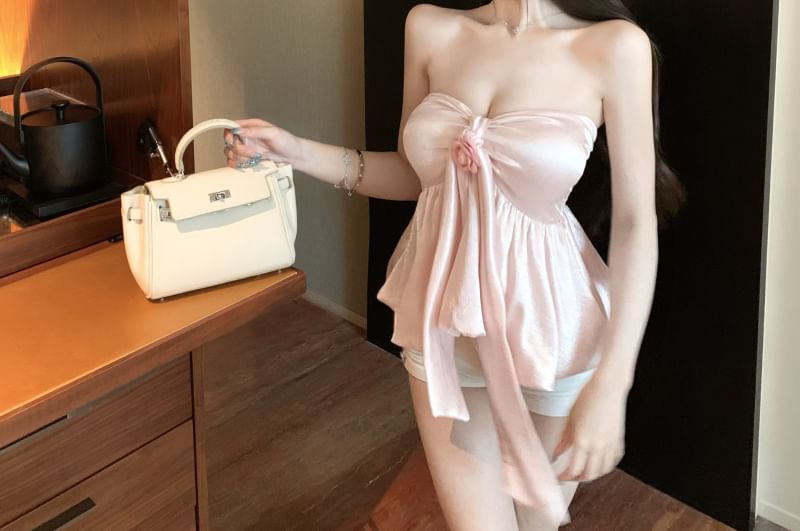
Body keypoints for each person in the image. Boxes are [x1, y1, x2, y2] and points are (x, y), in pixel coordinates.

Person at [224, 1, 685, 529]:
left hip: (553, 332)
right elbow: (414, 176)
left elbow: (634, 221)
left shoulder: (614, 47)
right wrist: (295, 151)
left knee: (537, 524)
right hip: (441, 320)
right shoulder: (429, 28)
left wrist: (613, 383)